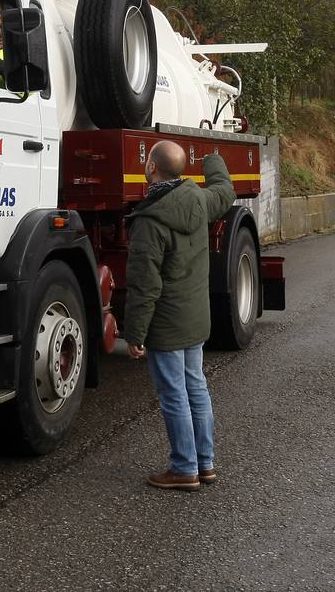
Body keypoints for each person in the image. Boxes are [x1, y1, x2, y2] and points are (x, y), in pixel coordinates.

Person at [124, 140, 235, 492]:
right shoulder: (199, 202)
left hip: (168, 324)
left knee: (174, 394)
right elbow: (225, 190)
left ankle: (184, 468)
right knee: (196, 387)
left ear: (151, 169)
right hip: (195, 317)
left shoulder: (150, 221)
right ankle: (205, 463)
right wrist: (214, 159)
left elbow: (144, 286)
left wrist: (135, 334)